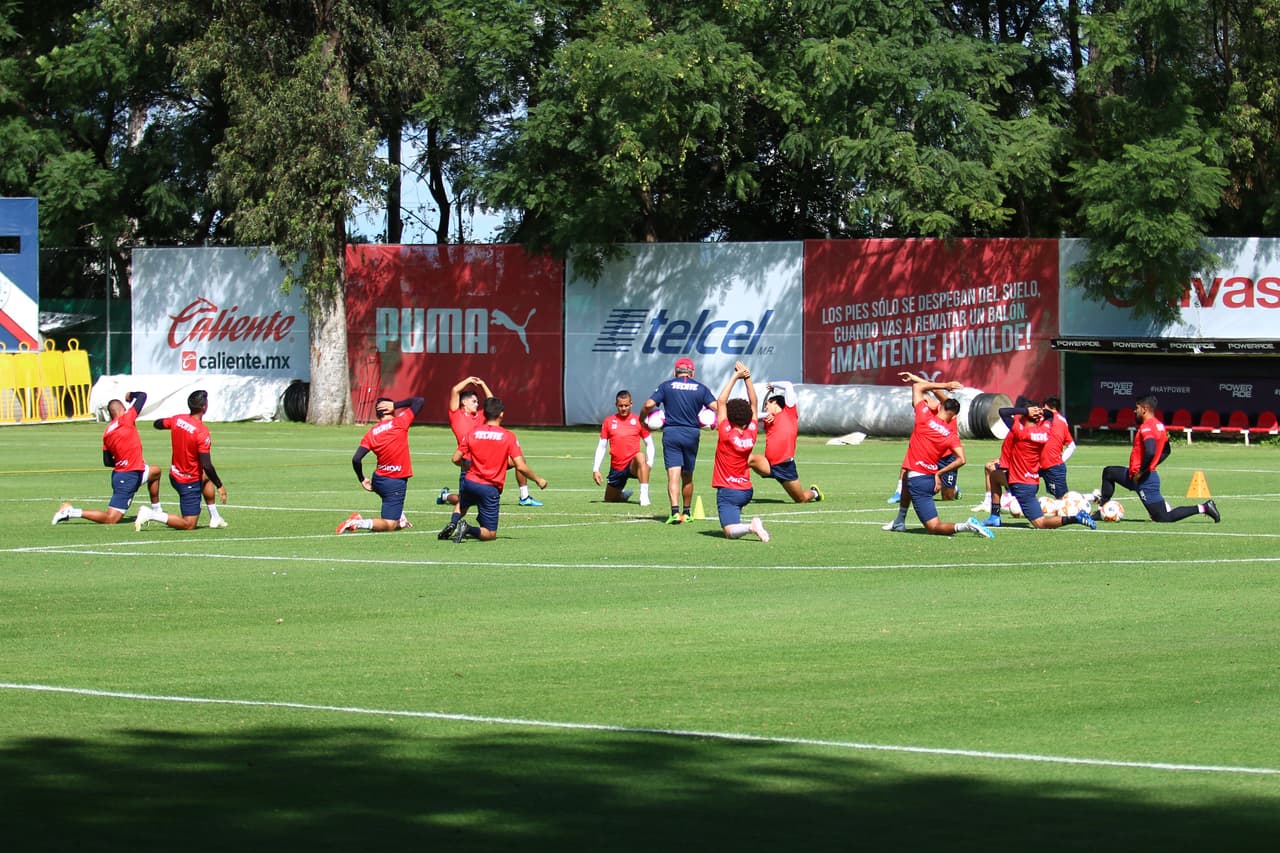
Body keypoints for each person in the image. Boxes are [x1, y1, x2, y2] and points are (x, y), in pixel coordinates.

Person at [882, 373, 993, 538]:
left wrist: (944, 385)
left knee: (934, 526)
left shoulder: (924, 417)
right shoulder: (951, 434)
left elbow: (918, 388)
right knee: (906, 478)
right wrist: (939, 473)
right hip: (931, 476)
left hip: (919, 480)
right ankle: (899, 521)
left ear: (940, 407)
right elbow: (962, 459)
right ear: (954, 415)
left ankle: (966, 526)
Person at [1090, 395, 1220, 524]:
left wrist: (1142, 471)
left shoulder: (1148, 427)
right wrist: (1149, 466)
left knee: (1163, 517)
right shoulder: (1159, 426)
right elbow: (1167, 450)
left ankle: (1204, 507)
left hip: (1144, 480)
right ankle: (1101, 509)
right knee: (1109, 472)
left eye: (1137, 408)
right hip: (1133, 475)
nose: (1135, 411)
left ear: (1145, 409)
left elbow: (1151, 451)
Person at [52, 390, 163, 525]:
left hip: (130, 471)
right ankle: (70, 512)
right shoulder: (126, 419)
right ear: (122, 409)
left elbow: (107, 461)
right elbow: (142, 396)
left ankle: (157, 510)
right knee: (112, 518)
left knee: (155, 472)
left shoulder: (107, 431)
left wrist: (124, 460)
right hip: (127, 476)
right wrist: (130, 395)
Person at [445, 397, 548, 542]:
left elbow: (455, 458)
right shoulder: (508, 436)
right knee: (490, 533)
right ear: (501, 414)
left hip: (470, 482)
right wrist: (538, 480)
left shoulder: (473, 432)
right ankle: (467, 528)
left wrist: (467, 466)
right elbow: (520, 466)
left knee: (463, 503)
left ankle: (453, 522)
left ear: (484, 414)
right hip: (489, 487)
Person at [982, 402, 1095, 530]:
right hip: (1031, 481)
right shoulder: (1045, 432)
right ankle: (994, 517)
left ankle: (1076, 518)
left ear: (1024, 418)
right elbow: (1050, 415)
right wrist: (1039, 411)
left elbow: (1003, 412)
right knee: (995, 476)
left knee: (1040, 523)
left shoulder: (1020, 432)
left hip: (1021, 484)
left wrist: (1025, 411)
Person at [438, 376, 542, 508]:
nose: (477, 404)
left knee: (519, 461)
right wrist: (469, 380)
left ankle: (524, 497)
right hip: (469, 463)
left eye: (477, 402)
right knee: (468, 501)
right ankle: (445, 496)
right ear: (464, 402)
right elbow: (455, 390)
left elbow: (492, 402)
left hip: (488, 461)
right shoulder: (456, 415)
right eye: (474, 401)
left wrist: (483, 385)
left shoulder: (481, 415)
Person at [136, 389, 227, 531]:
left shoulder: (178, 419)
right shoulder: (202, 432)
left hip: (175, 475)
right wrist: (220, 485)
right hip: (188, 481)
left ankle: (215, 517)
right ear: (204, 407)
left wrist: (171, 425)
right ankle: (151, 514)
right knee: (189, 524)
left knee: (206, 478)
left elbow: (158, 424)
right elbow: (207, 464)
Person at [641, 356, 716, 524]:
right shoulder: (701, 389)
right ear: (692, 372)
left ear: (675, 371)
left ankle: (674, 512)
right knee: (687, 476)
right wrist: (713, 421)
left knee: (673, 476)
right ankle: (687, 512)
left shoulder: (666, 386)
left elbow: (648, 404)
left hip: (671, 433)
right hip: (691, 434)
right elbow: (717, 407)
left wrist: (642, 420)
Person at [336, 395, 425, 533]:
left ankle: (400, 517)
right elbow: (419, 400)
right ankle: (358, 523)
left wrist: (362, 479)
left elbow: (356, 459)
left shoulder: (371, 433)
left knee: (392, 510)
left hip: (378, 480)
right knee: (390, 525)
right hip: (394, 482)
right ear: (391, 410)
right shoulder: (400, 422)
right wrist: (396, 404)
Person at [885, 372, 960, 519]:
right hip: (932, 455)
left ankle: (954, 489)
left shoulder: (949, 410)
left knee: (947, 496)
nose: (921, 402)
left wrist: (917, 379)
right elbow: (921, 390)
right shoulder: (927, 416)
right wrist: (913, 379)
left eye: (926, 400)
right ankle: (899, 491)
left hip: (948, 457)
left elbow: (933, 390)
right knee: (909, 461)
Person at [712, 362, 769, 541]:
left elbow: (721, 401)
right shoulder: (751, 433)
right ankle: (741, 520)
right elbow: (754, 403)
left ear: (729, 416)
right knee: (733, 518)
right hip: (746, 490)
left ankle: (751, 527)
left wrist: (735, 376)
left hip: (728, 490)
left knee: (729, 532)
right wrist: (747, 378)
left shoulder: (725, 433)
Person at [749, 380, 822, 503]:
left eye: (767, 404)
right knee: (747, 459)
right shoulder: (767, 419)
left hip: (785, 466)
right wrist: (763, 416)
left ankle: (815, 492)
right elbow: (751, 415)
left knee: (801, 499)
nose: (765, 408)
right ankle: (737, 490)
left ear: (774, 402)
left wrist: (772, 384)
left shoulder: (789, 412)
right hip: (769, 464)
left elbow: (788, 385)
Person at [592, 389, 655, 505]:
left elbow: (649, 443)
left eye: (626, 405)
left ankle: (644, 495)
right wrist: (596, 469)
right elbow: (601, 446)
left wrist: (650, 463)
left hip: (633, 465)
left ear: (631, 404)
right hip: (617, 468)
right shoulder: (609, 422)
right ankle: (623, 494)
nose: (623, 408)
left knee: (640, 456)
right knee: (610, 499)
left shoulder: (638, 420)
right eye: (620, 405)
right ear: (616, 405)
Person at [1039, 396, 1076, 499]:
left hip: (1045, 464)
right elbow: (1072, 446)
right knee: (1062, 499)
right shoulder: (1063, 420)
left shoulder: (1041, 418)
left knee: (1062, 499)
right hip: (1049, 464)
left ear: (1046, 406)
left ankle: (1090, 498)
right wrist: (1061, 460)